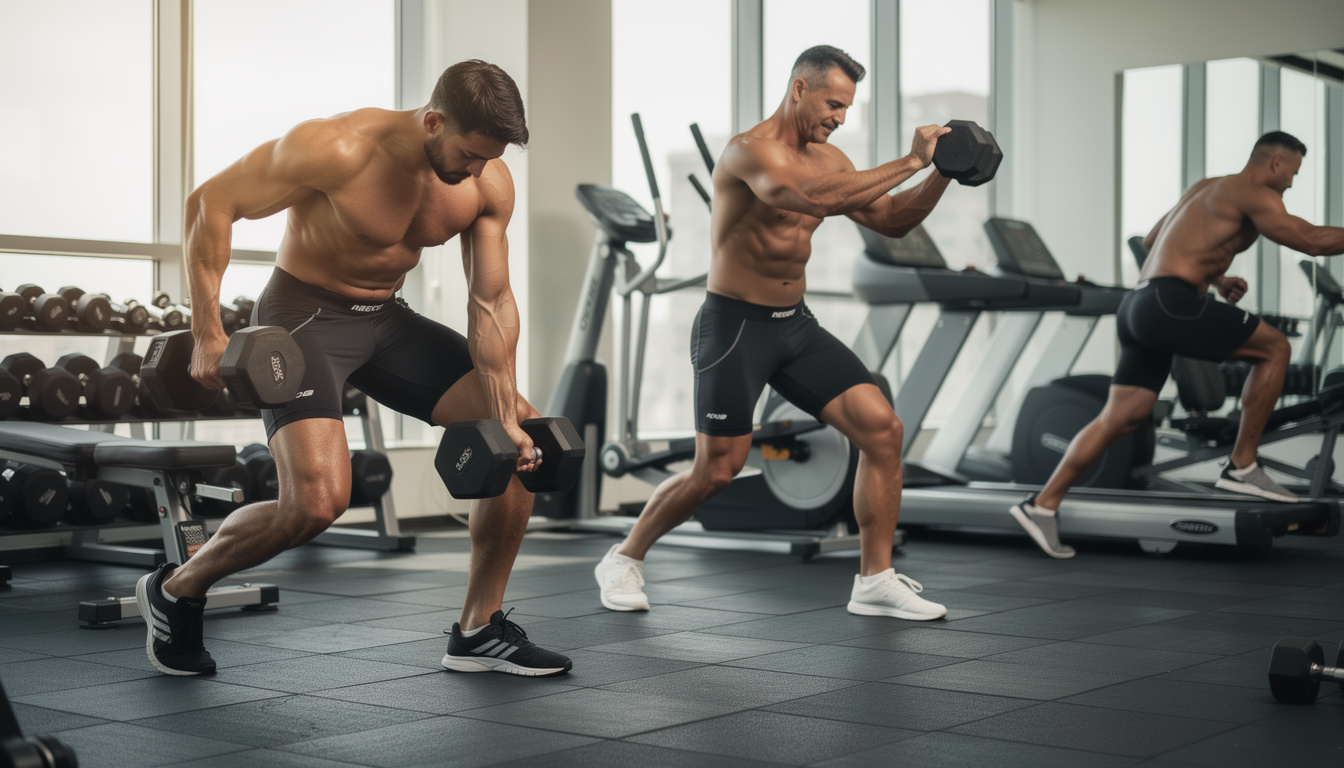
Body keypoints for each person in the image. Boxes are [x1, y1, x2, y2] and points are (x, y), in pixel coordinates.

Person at [136, 60, 572, 678]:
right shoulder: (337, 148)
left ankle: (478, 629)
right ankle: (177, 587)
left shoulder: (487, 182)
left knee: (519, 437)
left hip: (387, 320)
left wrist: (502, 415)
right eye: (470, 154)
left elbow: (492, 301)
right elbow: (211, 202)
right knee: (315, 503)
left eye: (489, 158)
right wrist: (209, 331)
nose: (479, 170)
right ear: (432, 120)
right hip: (304, 318)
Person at [594, 45, 956, 621]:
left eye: (846, 108)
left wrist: (944, 172)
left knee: (883, 431)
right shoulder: (748, 151)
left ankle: (874, 580)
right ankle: (624, 556)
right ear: (799, 89)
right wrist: (910, 161)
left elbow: (892, 220)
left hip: (796, 326)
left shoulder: (831, 160)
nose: (839, 117)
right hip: (735, 328)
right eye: (834, 103)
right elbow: (803, 198)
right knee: (718, 468)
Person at [1011, 131, 1344, 558]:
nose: (1293, 183)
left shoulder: (1207, 187)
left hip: (1139, 305)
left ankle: (1042, 504)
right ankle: (1243, 465)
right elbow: (1312, 240)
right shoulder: (1255, 192)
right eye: (1293, 173)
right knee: (1275, 348)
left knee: (1121, 415)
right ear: (1276, 164)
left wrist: (1218, 276)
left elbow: (1152, 240)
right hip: (1170, 302)